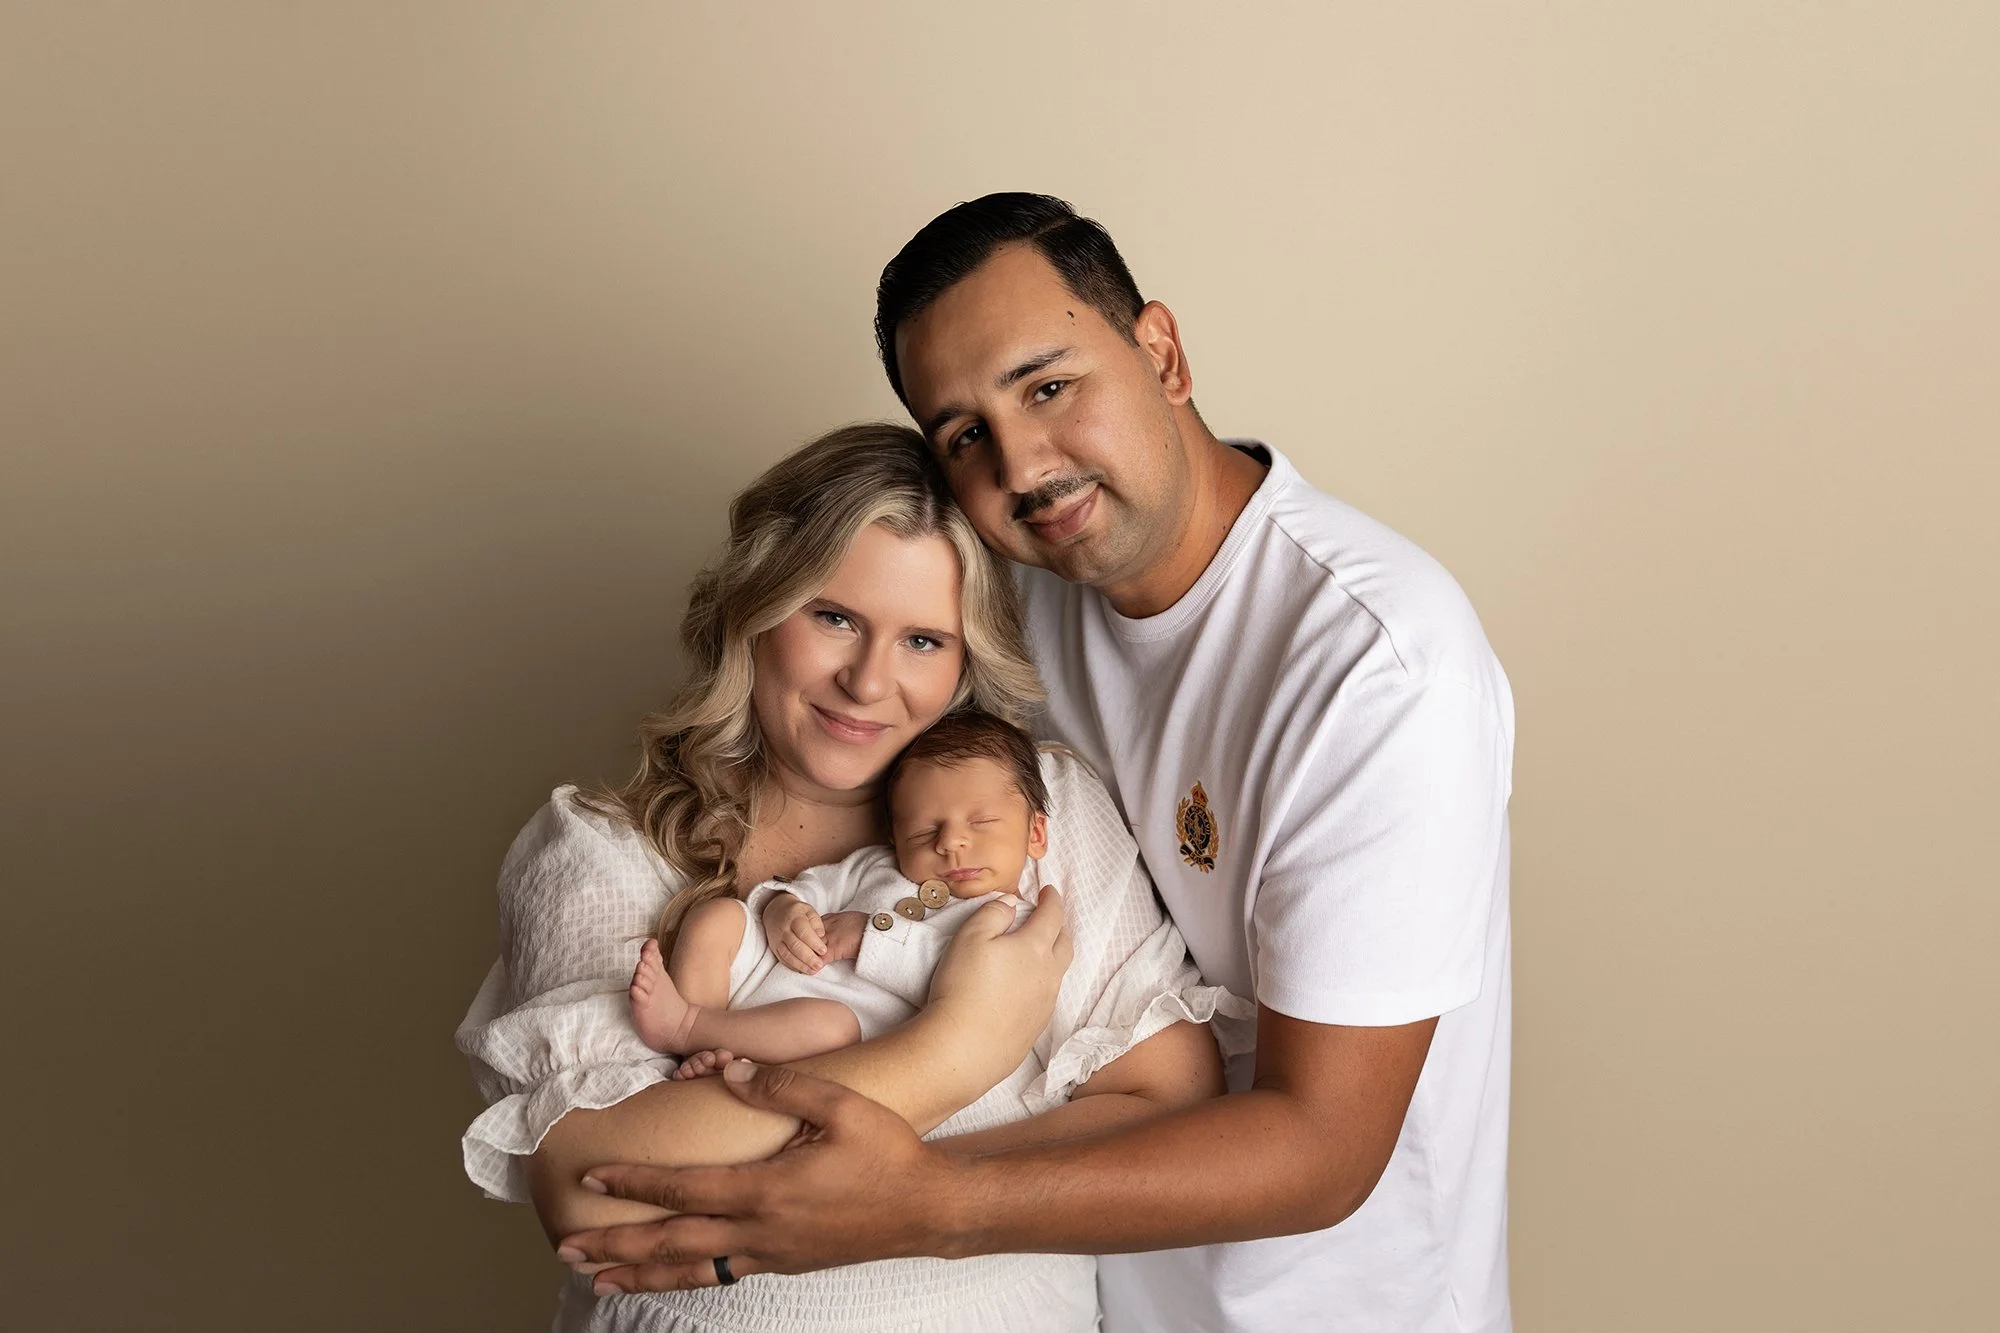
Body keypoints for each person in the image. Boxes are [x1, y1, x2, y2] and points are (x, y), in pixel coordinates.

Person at [557, 194, 1518, 1333]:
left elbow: (1320, 1147)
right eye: (964, 433)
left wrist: (918, 1202)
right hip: (1094, 1292)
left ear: (1160, 351)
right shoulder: (1018, 611)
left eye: (1047, 386)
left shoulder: (1374, 663)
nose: (1021, 463)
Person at [455, 421, 1237, 1332]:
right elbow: (599, 1201)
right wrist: (959, 1046)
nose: (870, 682)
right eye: (835, 618)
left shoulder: (1027, 810)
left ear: (966, 657)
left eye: (923, 641)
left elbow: (1165, 1107)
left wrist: (910, 1198)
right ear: (754, 609)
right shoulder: (598, 849)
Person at [627, 711, 1114, 1082]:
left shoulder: (1010, 922)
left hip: (841, 1033)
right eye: (925, 831)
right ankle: (706, 1045)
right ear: (895, 836)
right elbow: (814, 886)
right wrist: (782, 908)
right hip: (764, 980)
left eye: (982, 823)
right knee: (717, 917)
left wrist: (872, 938)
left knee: (828, 1025)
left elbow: (968, 987)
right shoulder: (877, 866)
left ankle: (686, 1028)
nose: (951, 842)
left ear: (1036, 834)